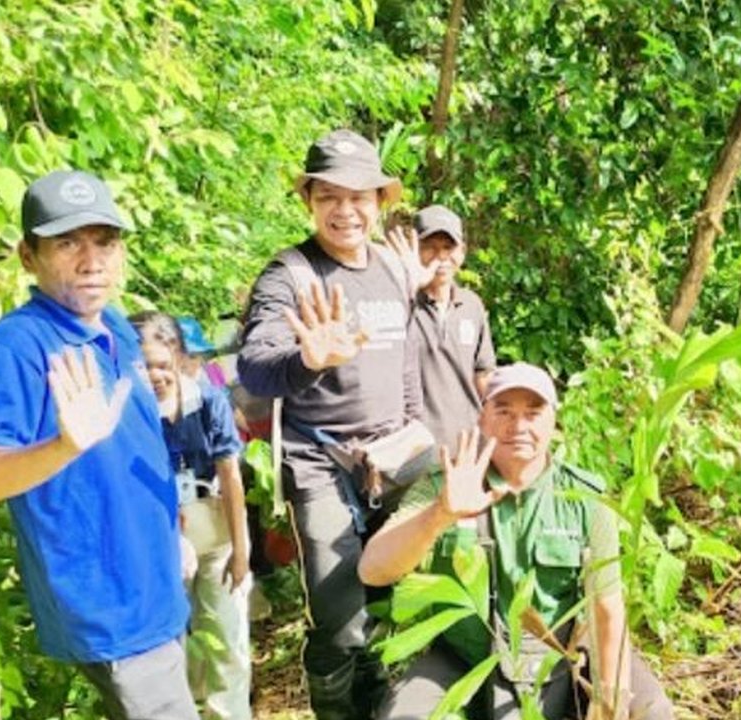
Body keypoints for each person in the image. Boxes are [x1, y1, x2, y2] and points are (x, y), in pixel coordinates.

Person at [0, 170, 197, 720]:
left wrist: (174, 536)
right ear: (27, 256)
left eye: (104, 241)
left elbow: (139, 448)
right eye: (67, 242)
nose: (91, 259)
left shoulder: (118, 330)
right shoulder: (11, 349)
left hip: (157, 586)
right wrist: (61, 447)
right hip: (112, 609)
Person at [237, 128, 429, 720]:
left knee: (392, 603)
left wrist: (413, 425)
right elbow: (256, 366)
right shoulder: (289, 276)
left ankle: (380, 707)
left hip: (391, 461)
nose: (345, 211)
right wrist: (308, 358)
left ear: (380, 202)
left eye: (358, 197)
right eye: (329, 197)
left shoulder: (394, 271)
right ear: (310, 202)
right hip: (319, 466)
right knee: (341, 617)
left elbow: (404, 360)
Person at [359, 363, 674, 720]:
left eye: (533, 413)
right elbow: (373, 570)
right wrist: (440, 514)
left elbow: (607, 607)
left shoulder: (585, 499)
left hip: (561, 656)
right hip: (465, 656)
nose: (519, 426)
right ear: (482, 418)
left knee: (651, 711)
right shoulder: (445, 485)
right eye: (504, 411)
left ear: (553, 422)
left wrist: (608, 698)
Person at [132, 311, 252, 720]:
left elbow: (231, 476)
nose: (155, 375)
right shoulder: (126, 413)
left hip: (212, 523)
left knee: (227, 631)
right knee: (173, 642)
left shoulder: (208, 401)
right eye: (144, 365)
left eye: (163, 365)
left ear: (180, 359)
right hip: (158, 537)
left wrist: (241, 549)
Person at [409, 204, 498, 446]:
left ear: (463, 252)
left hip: (468, 444)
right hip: (416, 449)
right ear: (413, 250)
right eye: (429, 247)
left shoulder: (472, 305)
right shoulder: (401, 304)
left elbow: (483, 374)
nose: (441, 257)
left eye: (449, 247)